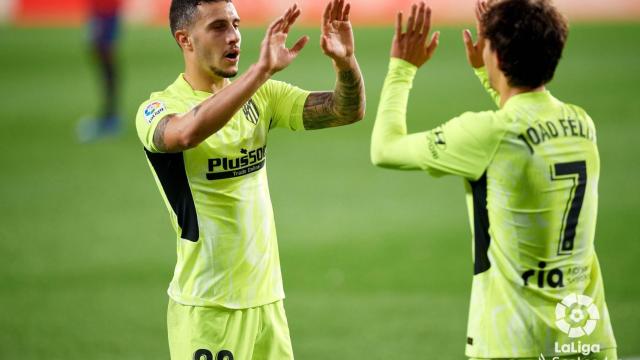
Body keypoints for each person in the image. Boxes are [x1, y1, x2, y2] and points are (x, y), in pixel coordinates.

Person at [370, 1, 616, 358]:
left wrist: (402, 68)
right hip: (586, 336)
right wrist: (490, 74)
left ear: (497, 55)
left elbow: (385, 149)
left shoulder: (487, 133)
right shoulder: (582, 124)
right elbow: (526, 127)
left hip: (514, 342)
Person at [135, 0, 365, 358]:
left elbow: (345, 110)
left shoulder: (262, 96)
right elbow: (185, 135)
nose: (234, 37)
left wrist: (344, 61)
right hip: (208, 310)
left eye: (236, 24)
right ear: (186, 40)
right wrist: (260, 72)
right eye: (218, 27)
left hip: (267, 303)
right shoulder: (158, 108)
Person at [77, 0, 122, 142]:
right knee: (103, 60)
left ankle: (110, 117)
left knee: (106, 60)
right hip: (100, 12)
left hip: (105, 11)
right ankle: (109, 115)